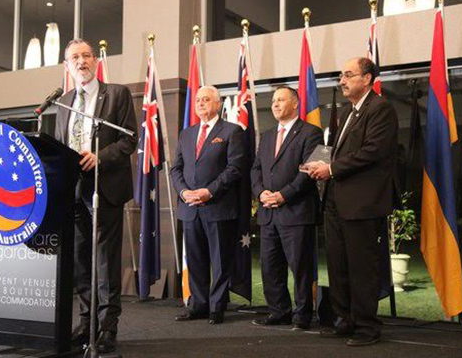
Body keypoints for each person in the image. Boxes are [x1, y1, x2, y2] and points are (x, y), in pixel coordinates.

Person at [55, 39, 137, 354]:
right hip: (73, 190)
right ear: (67, 66)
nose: (81, 61)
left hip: (105, 187)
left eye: (86, 55)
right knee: (80, 261)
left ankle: (107, 326)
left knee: (104, 260)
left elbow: (130, 139)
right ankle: (86, 321)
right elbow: (62, 143)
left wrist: (99, 156)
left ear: (95, 60)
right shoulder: (63, 101)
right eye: (74, 57)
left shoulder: (116, 93)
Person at [308, 57, 398, 347]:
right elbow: (337, 152)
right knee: (339, 266)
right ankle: (343, 321)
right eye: (341, 76)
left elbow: (373, 151)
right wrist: (320, 164)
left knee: (362, 268)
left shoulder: (380, 109)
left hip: (362, 204)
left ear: (367, 78)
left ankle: (367, 328)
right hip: (336, 200)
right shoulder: (349, 111)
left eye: (348, 75)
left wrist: (331, 169)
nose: (342, 81)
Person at [170, 85, 244, 325]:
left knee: (220, 261)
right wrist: (183, 192)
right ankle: (198, 305)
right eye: (198, 100)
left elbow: (235, 168)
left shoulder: (232, 131)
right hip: (190, 208)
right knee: (196, 260)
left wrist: (209, 192)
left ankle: (216, 307)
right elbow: (176, 169)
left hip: (218, 206)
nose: (200, 103)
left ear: (218, 104)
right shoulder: (187, 134)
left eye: (206, 100)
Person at [250, 86, 323, 330]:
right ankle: (278, 311)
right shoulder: (268, 135)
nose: (275, 104)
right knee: (270, 267)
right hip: (268, 212)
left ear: (295, 104)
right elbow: (256, 169)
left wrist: (283, 195)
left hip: (297, 211)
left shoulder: (311, 132)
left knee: (300, 267)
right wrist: (261, 193)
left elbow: (309, 172)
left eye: (280, 100)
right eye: (273, 101)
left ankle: (302, 315)